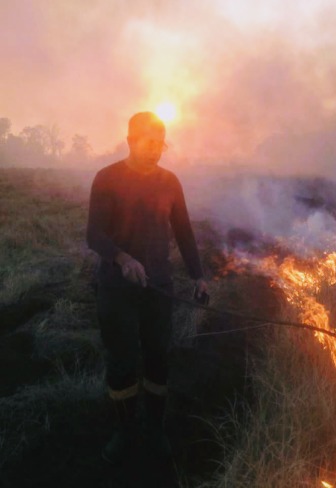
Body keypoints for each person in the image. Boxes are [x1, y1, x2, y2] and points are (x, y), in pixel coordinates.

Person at [86, 111, 208, 464]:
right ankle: (124, 431)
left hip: (158, 287)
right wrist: (123, 259)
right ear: (130, 140)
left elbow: (184, 232)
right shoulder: (107, 179)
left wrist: (198, 275)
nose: (157, 150)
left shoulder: (170, 181)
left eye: (161, 143)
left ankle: (154, 428)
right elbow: (94, 234)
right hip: (116, 289)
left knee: (158, 359)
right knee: (122, 361)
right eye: (149, 142)